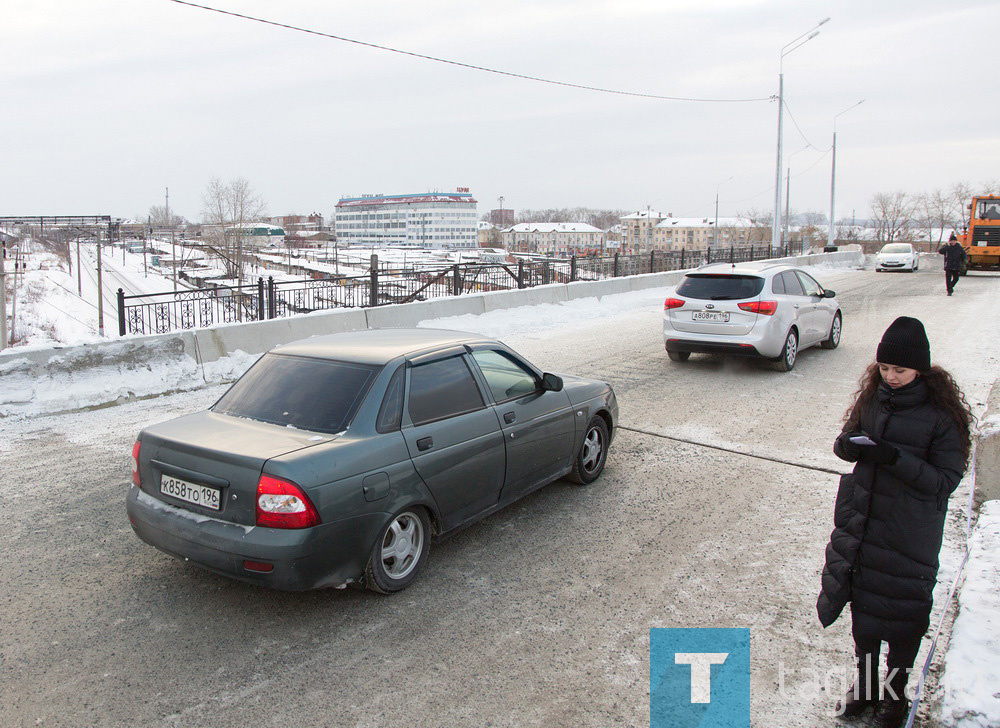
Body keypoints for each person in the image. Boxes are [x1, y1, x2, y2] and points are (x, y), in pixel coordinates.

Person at [816, 316, 973, 727]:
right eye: (884, 369)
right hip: (864, 525)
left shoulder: (942, 417)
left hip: (910, 534)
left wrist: (894, 458)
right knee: (865, 613)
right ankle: (866, 687)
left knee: (904, 618)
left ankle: (895, 696)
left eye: (899, 370)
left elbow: (945, 482)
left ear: (920, 368)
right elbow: (844, 443)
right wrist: (848, 446)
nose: (890, 377)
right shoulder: (873, 398)